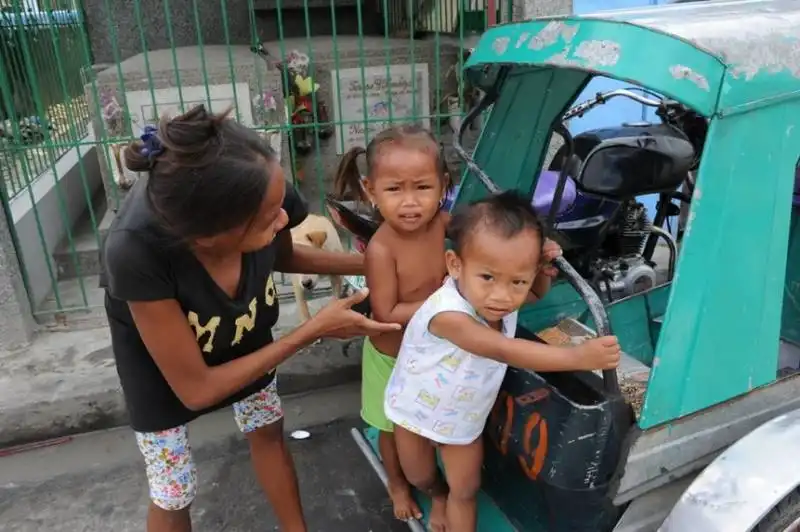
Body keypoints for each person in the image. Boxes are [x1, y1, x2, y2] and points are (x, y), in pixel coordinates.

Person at [101, 105, 401, 532]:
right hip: (164, 360)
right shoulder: (135, 251)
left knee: (266, 426)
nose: (285, 218)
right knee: (173, 487)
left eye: (280, 205)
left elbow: (282, 252)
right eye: (268, 219)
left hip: (243, 323)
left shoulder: (260, 185)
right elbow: (197, 390)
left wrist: (375, 265)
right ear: (207, 238)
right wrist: (311, 330)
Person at [384, 192, 622, 532]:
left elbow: (536, 294)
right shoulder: (447, 314)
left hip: (464, 417)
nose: (502, 297)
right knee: (420, 475)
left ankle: (451, 501)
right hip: (415, 410)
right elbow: (501, 349)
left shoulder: (500, 300)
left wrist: (542, 271)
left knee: (465, 489)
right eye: (488, 278)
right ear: (455, 265)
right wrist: (576, 357)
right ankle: (436, 495)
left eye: (518, 281)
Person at [334, 125, 451, 523]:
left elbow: (488, 240)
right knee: (390, 430)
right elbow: (386, 313)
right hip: (391, 358)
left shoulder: (446, 224)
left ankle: (440, 490)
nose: (410, 203)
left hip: (434, 351)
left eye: (422, 187)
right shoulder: (382, 248)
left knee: (436, 422)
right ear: (370, 190)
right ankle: (398, 483)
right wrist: (443, 303)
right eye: (394, 189)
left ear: (443, 186)